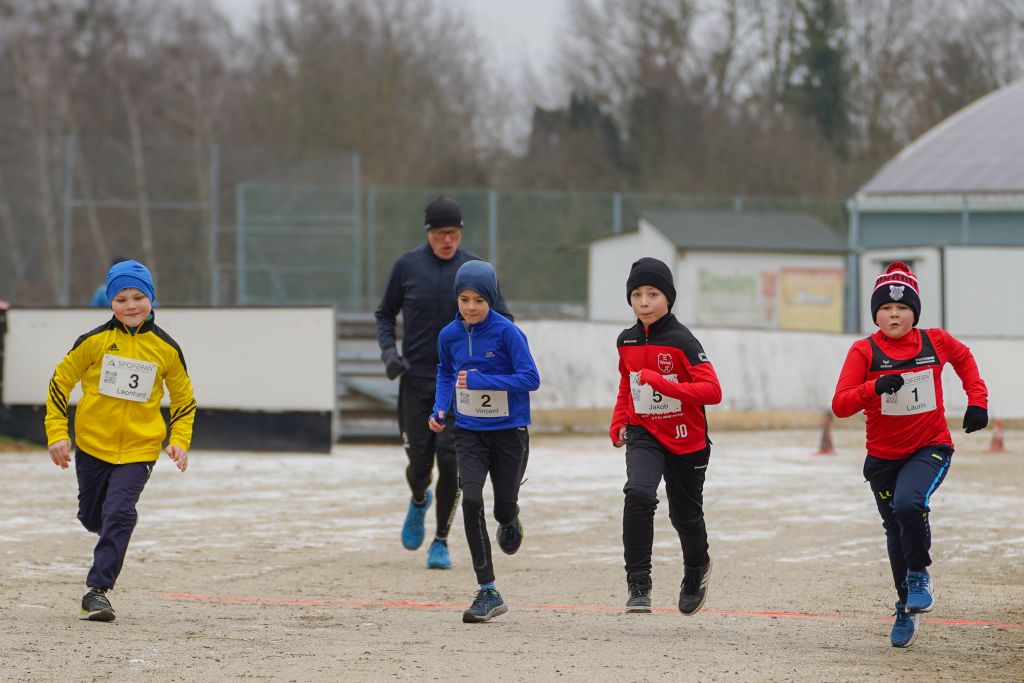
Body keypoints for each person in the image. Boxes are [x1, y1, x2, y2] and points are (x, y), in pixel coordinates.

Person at [832, 261, 988, 648]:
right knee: (895, 528)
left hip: (929, 446)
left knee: (908, 504)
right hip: (882, 458)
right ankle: (905, 605)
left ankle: (919, 576)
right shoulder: (863, 351)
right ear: (875, 314)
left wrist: (977, 401)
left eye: (902, 308)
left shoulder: (935, 342)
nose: (894, 314)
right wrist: (874, 387)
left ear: (914, 313)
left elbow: (965, 358)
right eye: (886, 308)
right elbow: (840, 404)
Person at [45, 259, 196, 622]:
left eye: (139, 297)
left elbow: (184, 400)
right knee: (91, 516)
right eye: (121, 299)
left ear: (151, 298)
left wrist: (179, 439)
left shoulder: (166, 348)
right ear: (110, 302)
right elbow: (60, 384)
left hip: (139, 450)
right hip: (93, 446)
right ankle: (114, 523)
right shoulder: (93, 342)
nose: (131, 306)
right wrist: (57, 433)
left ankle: (97, 592)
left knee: (119, 512)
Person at [375, 197, 512, 570]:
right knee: (419, 464)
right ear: (428, 233)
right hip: (416, 380)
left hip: (460, 385)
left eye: (453, 233)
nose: (447, 240)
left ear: (461, 232)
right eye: (440, 233)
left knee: (451, 462)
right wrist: (389, 353)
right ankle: (420, 498)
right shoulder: (407, 266)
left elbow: (504, 318)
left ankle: (440, 541)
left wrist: (490, 363)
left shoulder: (475, 270)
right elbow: (384, 314)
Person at [609, 257, 723, 615]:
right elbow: (627, 384)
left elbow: (713, 391)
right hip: (644, 432)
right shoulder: (626, 340)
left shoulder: (683, 340)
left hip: (687, 439)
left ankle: (696, 569)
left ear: (668, 298)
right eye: (637, 294)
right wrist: (619, 419)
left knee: (685, 515)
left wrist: (662, 384)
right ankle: (638, 583)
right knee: (638, 494)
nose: (644, 302)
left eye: (652, 294)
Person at [428, 260, 539, 623]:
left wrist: (482, 381)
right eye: (464, 299)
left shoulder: (508, 333)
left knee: (502, 507)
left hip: (510, 433)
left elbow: (530, 378)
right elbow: (446, 372)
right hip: (470, 432)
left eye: (478, 300)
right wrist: (440, 408)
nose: (471, 307)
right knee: (472, 500)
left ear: (490, 299)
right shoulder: (449, 335)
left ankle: (510, 518)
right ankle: (487, 590)